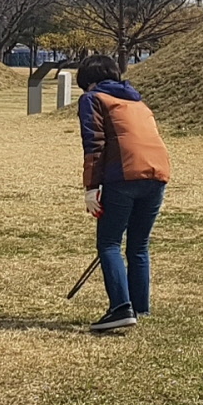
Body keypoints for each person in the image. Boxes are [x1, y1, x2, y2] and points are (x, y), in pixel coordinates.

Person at [76, 58, 173, 335]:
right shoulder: (138, 102)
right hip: (158, 172)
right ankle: (140, 306)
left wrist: (91, 187)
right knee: (139, 245)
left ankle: (120, 307)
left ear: (90, 82)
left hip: (123, 175)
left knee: (108, 243)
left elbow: (93, 142)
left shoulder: (93, 99)